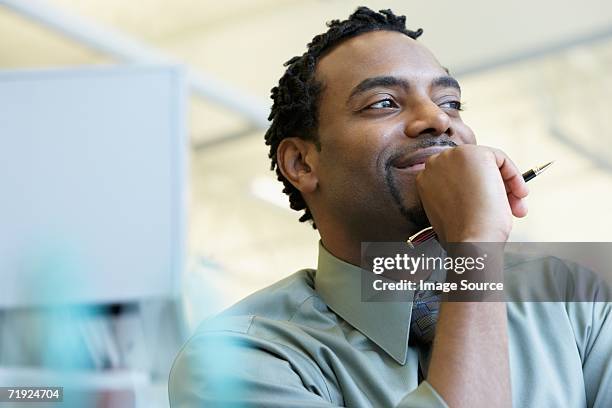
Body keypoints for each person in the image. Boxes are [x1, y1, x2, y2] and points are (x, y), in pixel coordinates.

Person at [169, 7, 611, 407]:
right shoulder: (241, 357)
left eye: (450, 103)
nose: (438, 120)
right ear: (302, 163)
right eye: (384, 103)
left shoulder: (573, 300)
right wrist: (473, 245)